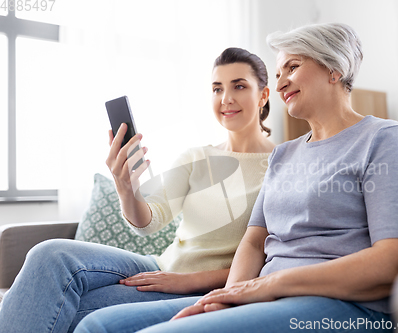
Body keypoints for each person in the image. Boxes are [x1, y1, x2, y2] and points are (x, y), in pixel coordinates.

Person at [74, 23, 398, 333]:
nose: (281, 81)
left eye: (293, 67)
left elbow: (393, 258)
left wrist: (269, 286)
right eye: (278, 70)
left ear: (335, 69)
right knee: (98, 324)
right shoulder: (284, 155)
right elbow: (254, 243)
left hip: (341, 304)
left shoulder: (381, 137)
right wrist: (227, 297)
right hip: (266, 295)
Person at [0, 47, 275, 333]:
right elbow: (149, 221)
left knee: (61, 306)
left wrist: (189, 281)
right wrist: (126, 188)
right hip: (160, 265)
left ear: (264, 95)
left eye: (239, 86)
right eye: (217, 88)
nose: (225, 99)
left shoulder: (281, 165)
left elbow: (271, 258)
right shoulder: (196, 156)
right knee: (49, 254)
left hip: (200, 288)